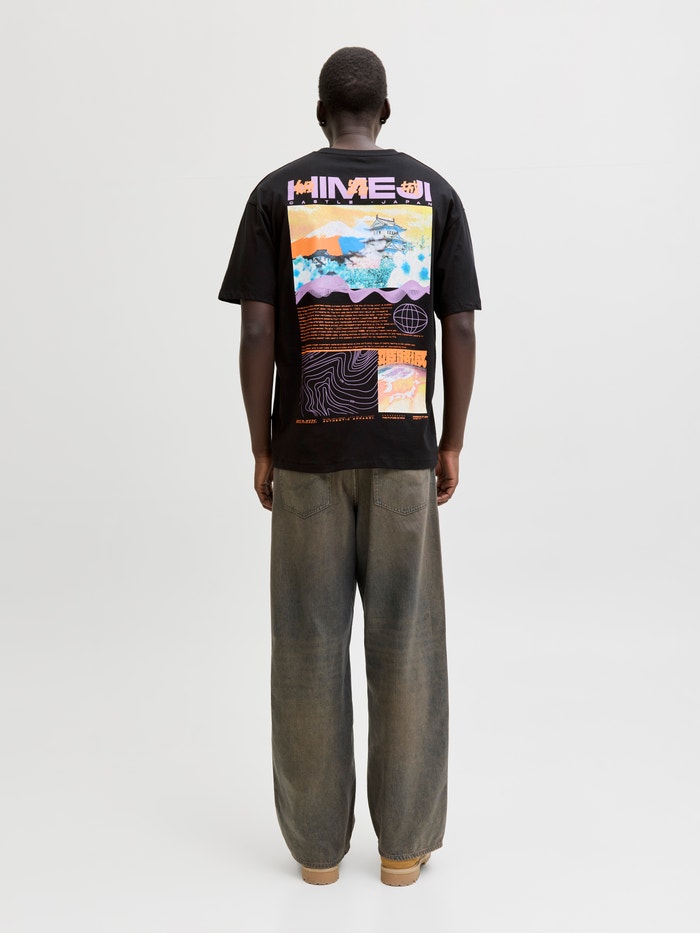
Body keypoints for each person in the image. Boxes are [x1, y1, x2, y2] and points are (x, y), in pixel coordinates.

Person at [218, 46, 481, 886]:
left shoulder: (277, 193)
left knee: (306, 643)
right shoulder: (433, 192)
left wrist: (261, 445)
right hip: (402, 451)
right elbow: (460, 326)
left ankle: (316, 854)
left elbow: (257, 331)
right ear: (385, 111)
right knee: (408, 643)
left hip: (307, 452)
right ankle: (403, 848)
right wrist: (450, 440)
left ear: (320, 111)